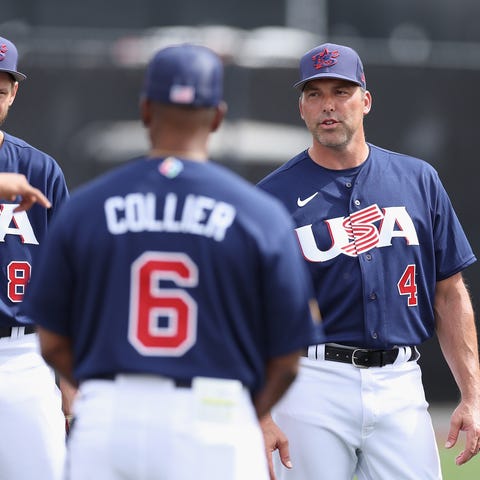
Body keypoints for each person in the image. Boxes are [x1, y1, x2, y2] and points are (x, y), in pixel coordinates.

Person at [23, 43, 324, 480]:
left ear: (146, 109)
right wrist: (245, 409)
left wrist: (103, 396)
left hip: (111, 414)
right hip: (214, 411)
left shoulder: (87, 207)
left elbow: (50, 340)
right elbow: (290, 350)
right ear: (218, 116)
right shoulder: (257, 213)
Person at [257, 42, 480, 480]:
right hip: (311, 381)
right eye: (315, 94)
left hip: (400, 381)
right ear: (301, 107)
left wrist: (472, 395)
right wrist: (261, 413)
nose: (328, 106)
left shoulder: (419, 180)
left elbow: (450, 293)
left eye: (341, 91)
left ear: (366, 100)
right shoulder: (271, 197)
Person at [0, 36, 71, 479]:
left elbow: (69, 281)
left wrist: (70, 379)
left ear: (13, 93)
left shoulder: (38, 170)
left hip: (21, 354)